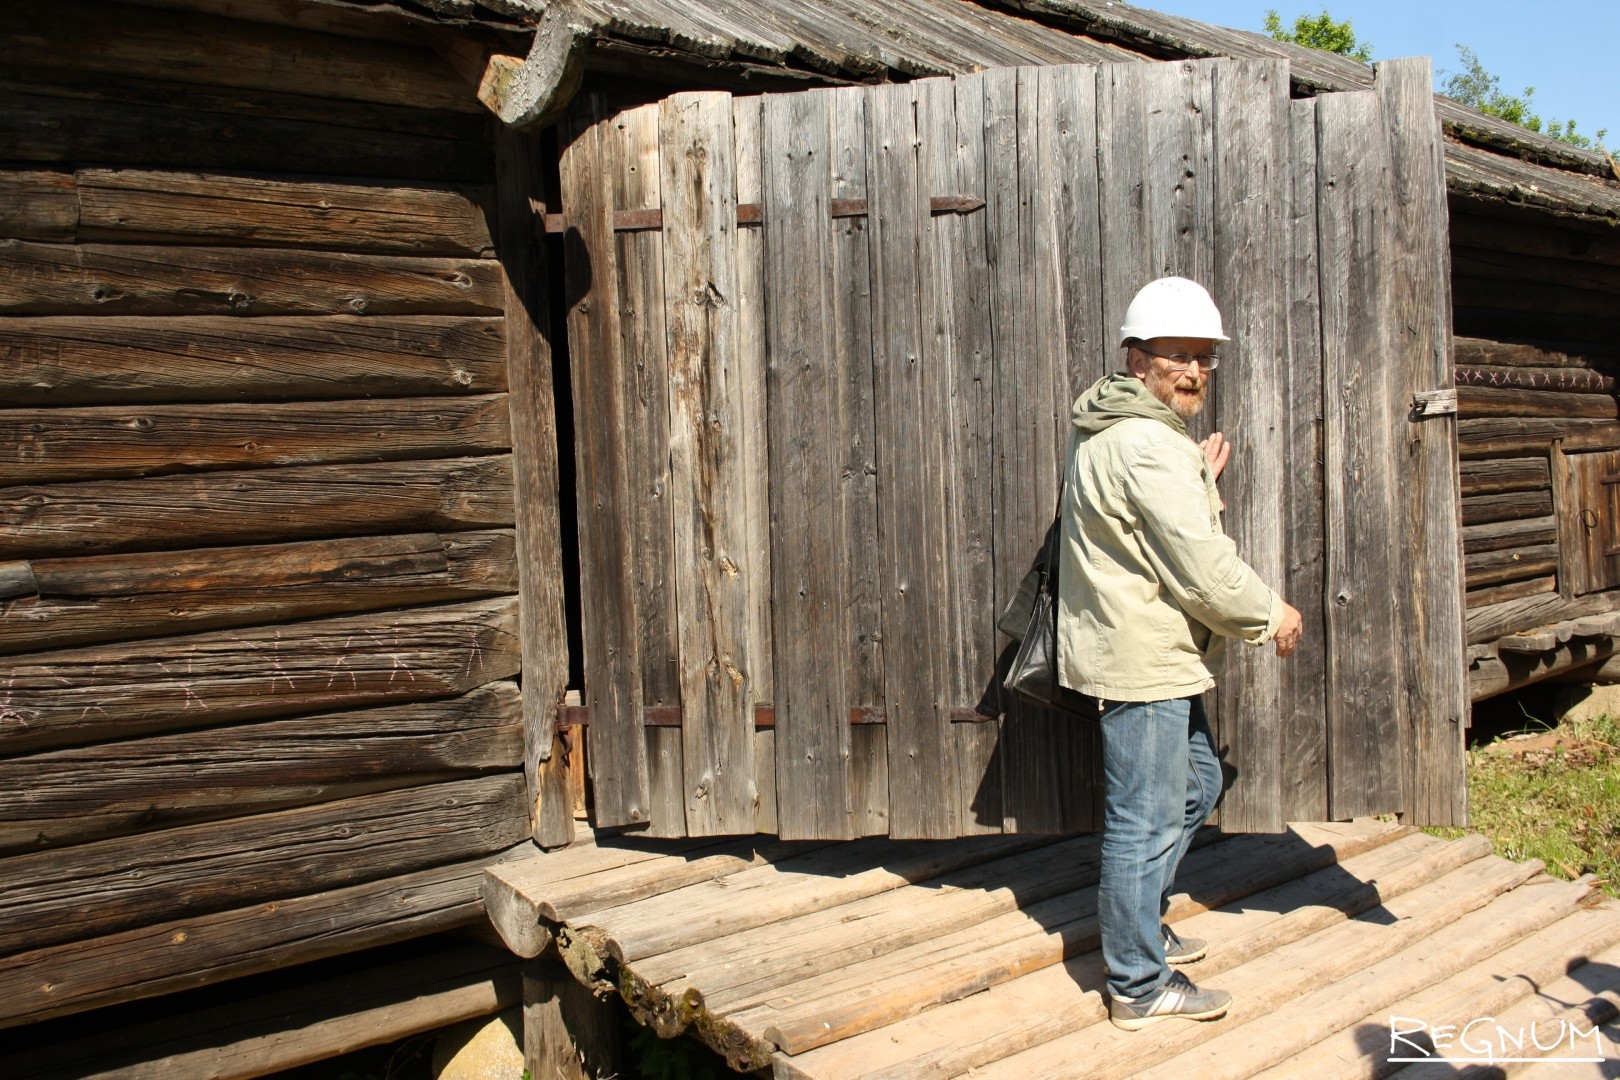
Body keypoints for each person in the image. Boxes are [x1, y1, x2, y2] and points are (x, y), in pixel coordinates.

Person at [1057, 276, 1303, 1030]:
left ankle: (1137, 924)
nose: (1194, 372)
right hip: (1144, 656)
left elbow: (1146, 522)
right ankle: (1136, 982)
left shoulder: (1117, 428)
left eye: (1204, 359)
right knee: (1142, 816)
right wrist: (1270, 614)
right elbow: (1199, 566)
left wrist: (1198, 477)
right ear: (1138, 359)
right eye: (1178, 358)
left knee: (1195, 781)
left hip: (1138, 647)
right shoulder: (1149, 445)